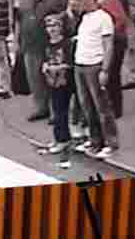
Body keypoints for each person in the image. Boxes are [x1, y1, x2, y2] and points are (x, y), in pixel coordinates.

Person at [70, 0, 120, 159]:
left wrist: (105, 69)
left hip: (95, 64)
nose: (79, 3)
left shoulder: (103, 18)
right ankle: (95, 139)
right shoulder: (84, 17)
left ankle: (110, 142)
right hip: (80, 64)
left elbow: (108, 45)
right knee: (87, 106)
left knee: (102, 107)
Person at [16, 0, 67, 121]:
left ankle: (55, 111)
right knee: (34, 78)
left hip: (49, 44)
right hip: (29, 43)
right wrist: (17, 40)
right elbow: (19, 19)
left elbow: (63, 18)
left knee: (52, 78)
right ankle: (40, 107)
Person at [92, 0, 128, 119]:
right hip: (101, 42)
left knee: (113, 75)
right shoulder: (95, 2)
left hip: (116, 42)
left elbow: (120, 20)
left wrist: (108, 30)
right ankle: (106, 105)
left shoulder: (112, 1)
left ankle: (116, 108)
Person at [41, 13, 75, 164]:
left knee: (61, 110)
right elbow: (45, 59)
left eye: (55, 26)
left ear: (61, 27)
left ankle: (63, 140)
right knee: (55, 110)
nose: (52, 29)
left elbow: (69, 63)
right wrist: (45, 66)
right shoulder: (47, 43)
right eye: (49, 26)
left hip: (64, 81)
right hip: (51, 81)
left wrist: (56, 67)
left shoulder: (66, 44)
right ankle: (59, 138)